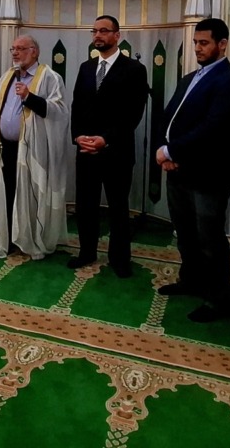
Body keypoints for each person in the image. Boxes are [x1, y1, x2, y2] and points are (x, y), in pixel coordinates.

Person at [154, 17, 230, 322]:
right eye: (196, 42)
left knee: (210, 239)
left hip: (209, 174)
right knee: (185, 233)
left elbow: (213, 129)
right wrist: (165, 150)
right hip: (178, 170)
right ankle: (192, 280)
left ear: (222, 44)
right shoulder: (190, 78)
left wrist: (170, 151)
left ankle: (219, 299)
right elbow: (169, 117)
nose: (197, 48)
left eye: (204, 43)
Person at [0, 35, 69, 260]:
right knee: (8, 192)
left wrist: (29, 97)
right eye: (13, 49)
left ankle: (31, 239)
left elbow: (59, 111)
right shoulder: (7, 76)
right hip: (6, 147)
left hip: (34, 150)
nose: (15, 53)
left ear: (34, 51)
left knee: (30, 195)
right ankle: (9, 238)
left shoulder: (50, 77)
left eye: (20, 48)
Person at [69, 15, 147, 278]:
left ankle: (120, 259)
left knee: (118, 208)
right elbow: (77, 106)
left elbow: (133, 113)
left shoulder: (134, 69)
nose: (98, 35)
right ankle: (86, 252)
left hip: (117, 151)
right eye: (94, 31)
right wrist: (78, 136)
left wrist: (106, 139)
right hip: (86, 150)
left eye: (104, 31)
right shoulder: (86, 67)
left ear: (117, 35)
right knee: (86, 206)